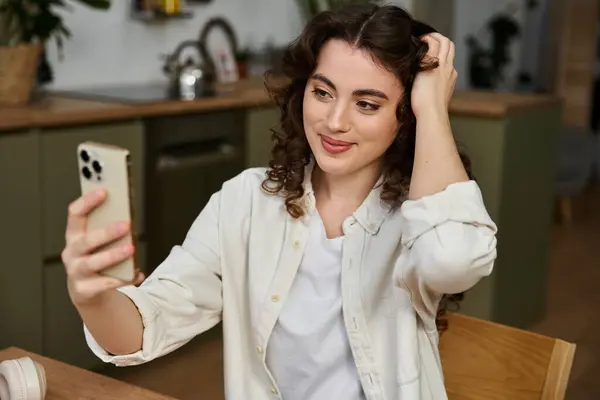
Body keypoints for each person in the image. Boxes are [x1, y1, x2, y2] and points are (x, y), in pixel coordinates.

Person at [60, 3, 497, 399]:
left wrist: (434, 110)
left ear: (405, 120)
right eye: (323, 92)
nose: (335, 121)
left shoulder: (417, 217)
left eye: (367, 104)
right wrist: (94, 299)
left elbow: (453, 260)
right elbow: (145, 327)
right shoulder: (245, 202)